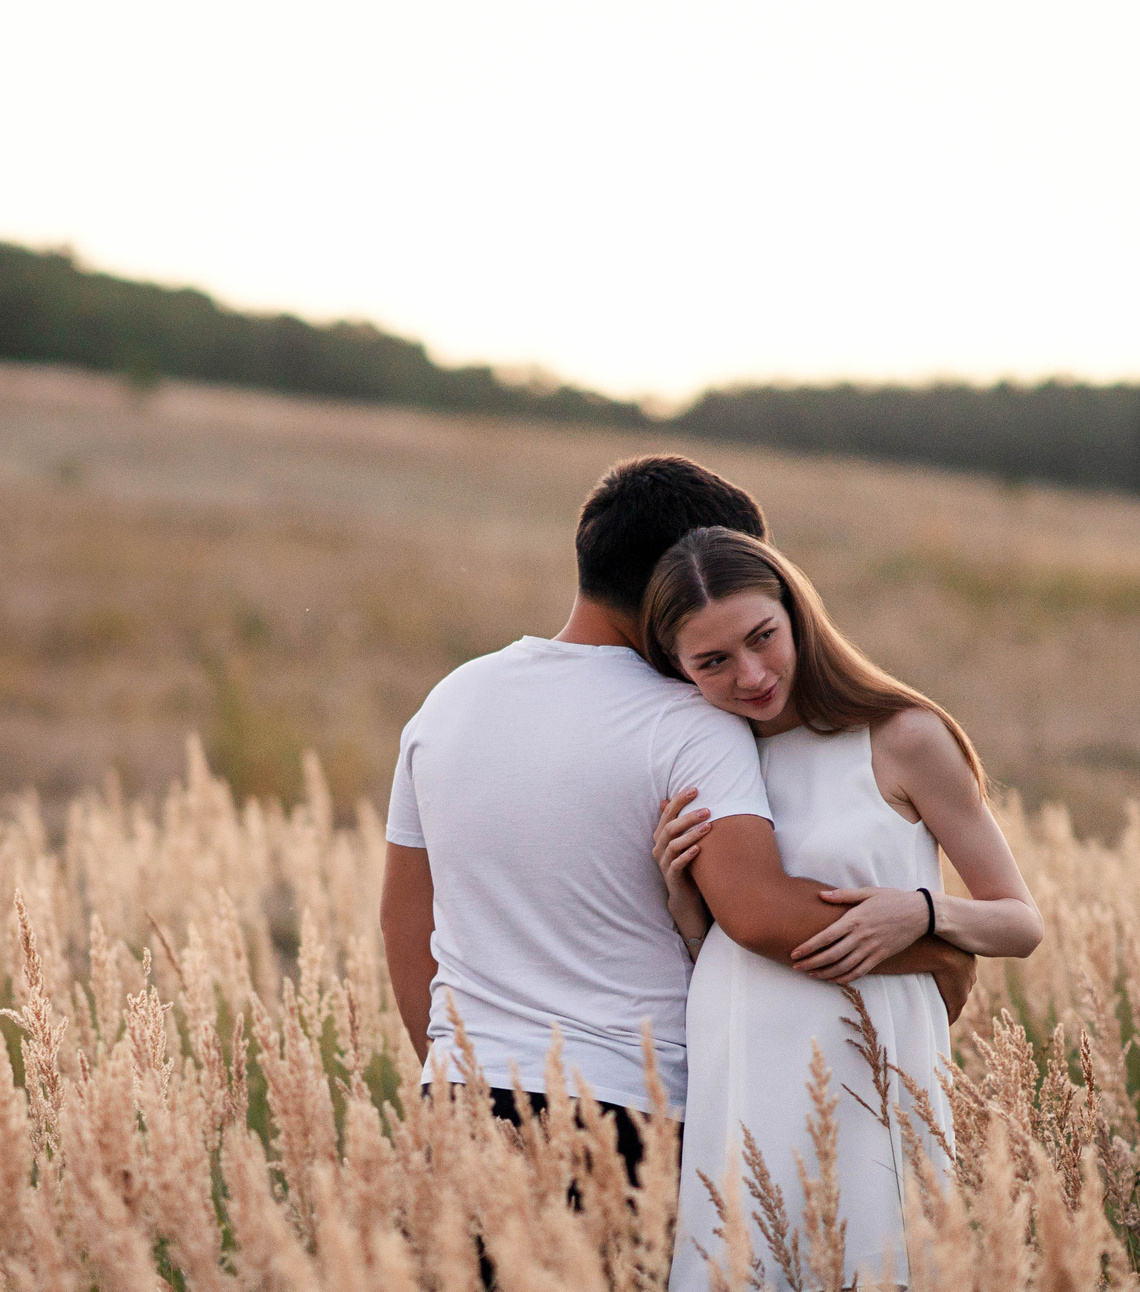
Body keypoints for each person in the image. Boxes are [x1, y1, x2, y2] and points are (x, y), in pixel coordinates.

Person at [378, 457, 976, 1183]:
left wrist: (454, 1073)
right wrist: (937, 944)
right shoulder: (690, 722)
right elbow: (758, 912)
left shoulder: (448, 702)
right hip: (628, 1113)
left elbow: (405, 924)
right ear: (681, 582)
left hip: (459, 1099)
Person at [641, 526, 1041, 1292]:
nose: (747, 673)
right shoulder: (710, 762)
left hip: (859, 1085)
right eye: (711, 660)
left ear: (797, 613)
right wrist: (683, 901)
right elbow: (735, 954)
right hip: (745, 1086)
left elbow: (1021, 919)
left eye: (761, 637)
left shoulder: (901, 738)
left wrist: (924, 911)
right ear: (678, 666)